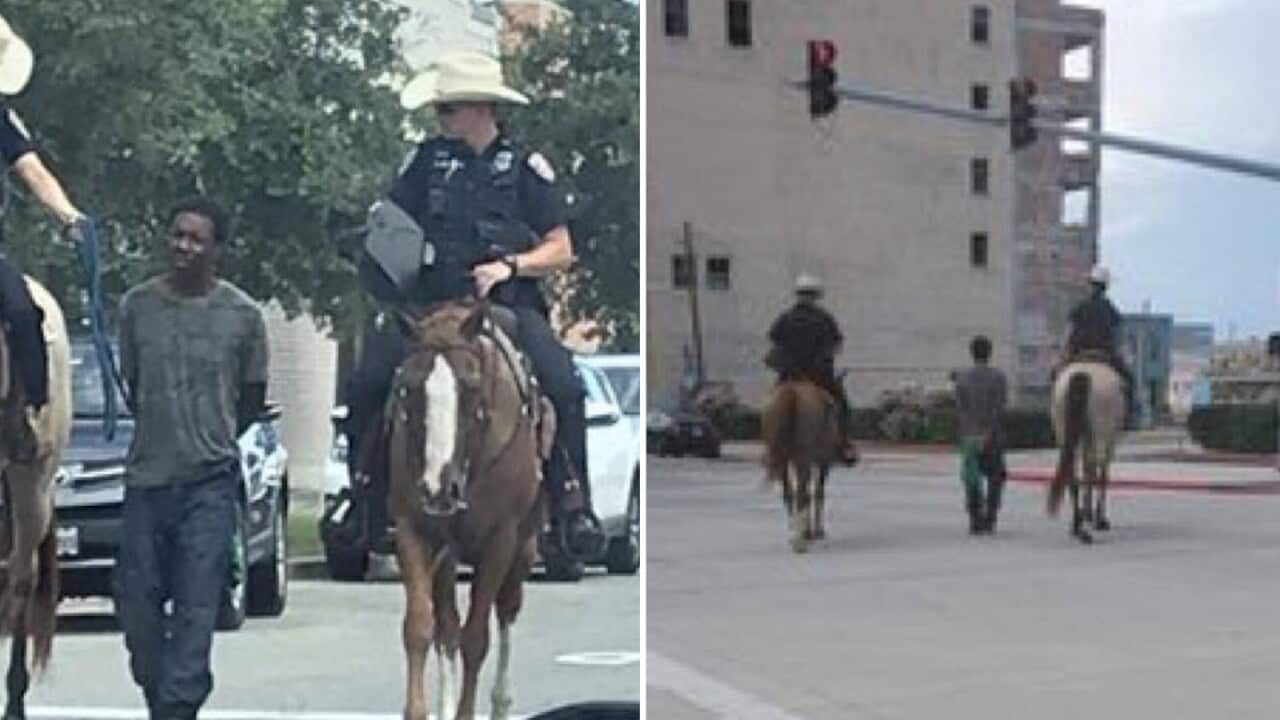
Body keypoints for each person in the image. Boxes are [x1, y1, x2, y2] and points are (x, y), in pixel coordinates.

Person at [347, 50, 604, 565]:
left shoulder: (526, 169)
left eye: (448, 110)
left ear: (481, 108)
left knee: (563, 384)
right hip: (430, 306)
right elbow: (392, 224)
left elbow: (561, 248)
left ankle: (573, 503)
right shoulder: (425, 163)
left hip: (502, 307)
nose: (441, 121)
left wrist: (509, 266)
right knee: (369, 380)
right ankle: (364, 502)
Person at [114, 197, 268, 720]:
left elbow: (250, 399)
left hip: (209, 483)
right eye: (177, 234)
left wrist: (212, 433)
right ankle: (162, 699)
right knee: (137, 609)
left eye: (196, 238)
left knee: (197, 608)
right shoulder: (137, 307)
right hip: (146, 480)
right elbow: (133, 386)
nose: (183, 246)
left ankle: (177, 710)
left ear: (217, 249)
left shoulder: (243, 317)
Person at [0, 14, 85, 461]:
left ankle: (23, 415)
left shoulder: (1, 120)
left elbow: (32, 168)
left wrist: (67, 213)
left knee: (21, 311)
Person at [766, 274, 859, 465]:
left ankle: (769, 448)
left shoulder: (785, 317)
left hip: (788, 376)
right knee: (842, 405)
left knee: (770, 406)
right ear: (816, 296)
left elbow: (775, 341)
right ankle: (844, 445)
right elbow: (835, 344)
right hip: (819, 377)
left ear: (797, 295)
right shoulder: (824, 318)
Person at [1061, 265, 1135, 418]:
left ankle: (1056, 413)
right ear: (1106, 287)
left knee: (1055, 376)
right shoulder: (1111, 310)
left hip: (1078, 354)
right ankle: (1130, 416)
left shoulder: (1079, 307)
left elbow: (1068, 334)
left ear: (1090, 285)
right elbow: (1119, 339)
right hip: (1105, 355)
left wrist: (1063, 354)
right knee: (1130, 380)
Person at [954, 335, 1008, 535]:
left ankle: (975, 518)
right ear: (990, 353)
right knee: (996, 477)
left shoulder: (962, 378)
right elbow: (999, 408)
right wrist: (988, 432)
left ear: (972, 353)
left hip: (969, 435)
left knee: (972, 478)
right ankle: (991, 517)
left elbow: (960, 410)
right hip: (992, 435)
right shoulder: (999, 377)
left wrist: (969, 432)